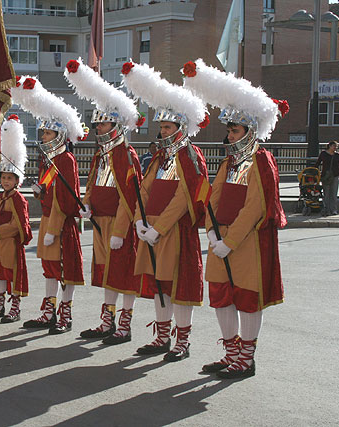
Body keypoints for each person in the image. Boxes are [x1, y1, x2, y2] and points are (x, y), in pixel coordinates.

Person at [183, 58, 289, 379]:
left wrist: (229, 241)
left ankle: (246, 358)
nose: (229, 135)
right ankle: (230, 353)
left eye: (235, 129)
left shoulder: (261, 160)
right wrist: (212, 234)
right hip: (222, 240)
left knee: (246, 297)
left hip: (247, 242)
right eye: (228, 129)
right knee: (220, 294)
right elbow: (213, 199)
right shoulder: (229, 162)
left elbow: (257, 206)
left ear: (250, 130)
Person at [121, 60, 210, 362]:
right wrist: (138, 221)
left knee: (179, 287)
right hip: (152, 230)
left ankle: (182, 341)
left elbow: (187, 196)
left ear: (181, 128)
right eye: (161, 126)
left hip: (176, 232)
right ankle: (160, 337)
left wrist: (160, 227)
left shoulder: (190, 154)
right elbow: (144, 190)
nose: (163, 131)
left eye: (168, 126)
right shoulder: (160, 156)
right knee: (159, 285)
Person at [64, 58, 143, 345]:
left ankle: (124, 324)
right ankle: (106, 321)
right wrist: (86, 205)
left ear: (117, 124)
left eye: (104, 123)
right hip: (99, 220)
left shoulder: (127, 155)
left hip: (118, 226)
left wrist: (122, 231)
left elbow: (130, 198)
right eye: (97, 124)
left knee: (123, 274)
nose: (99, 129)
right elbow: (93, 184)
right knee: (105, 274)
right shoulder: (101, 155)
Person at [12, 75, 85, 334]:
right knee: (50, 268)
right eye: (43, 131)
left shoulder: (65, 159)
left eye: (48, 132)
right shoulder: (48, 161)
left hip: (61, 223)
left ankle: (66, 313)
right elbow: (50, 195)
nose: (43, 135)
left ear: (60, 134)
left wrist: (54, 226)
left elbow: (66, 198)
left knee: (64, 269)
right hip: (48, 220)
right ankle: (48, 312)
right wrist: (41, 192)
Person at [0, 115, 32, 323]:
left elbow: (20, 224)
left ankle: (15, 308)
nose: (5, 181)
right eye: (3, 177)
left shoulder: (18, 199)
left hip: (10, 244)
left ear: (16, 181)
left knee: (12, 275)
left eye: (9, 178)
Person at [315, 141, 339, 216]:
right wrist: (314, 171)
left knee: (334, 193)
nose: (335, 148)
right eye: (334, 146)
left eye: (336, 146)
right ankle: (326, 209)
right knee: (326, 193)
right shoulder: (323, 154)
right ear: (329, 146)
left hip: (335, 175)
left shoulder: (337, 155)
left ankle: (333, 209)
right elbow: (318, 162)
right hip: (325, 176)